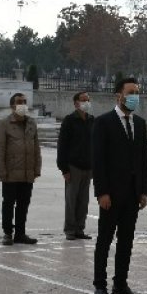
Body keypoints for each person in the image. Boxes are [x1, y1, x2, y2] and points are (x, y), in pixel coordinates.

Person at [91, 78, 147, 294]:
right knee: (105, 240)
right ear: (119, 95)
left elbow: (142, 159)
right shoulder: (104, 123)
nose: (134, 96)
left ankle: (120, 284)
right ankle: (99, 285)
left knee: (126, 241)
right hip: (111, 194)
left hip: (132, 194)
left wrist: (144, 190)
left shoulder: (140, 124)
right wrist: (102, 192)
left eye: (137, 92)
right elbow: (99, 161)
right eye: (130, 92)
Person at [0, 92, 40, 246]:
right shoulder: (4, 123)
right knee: (8, 203)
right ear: (12, 105)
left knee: (23, 204)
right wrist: (1, 171)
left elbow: (36, 148)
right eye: (19, 101)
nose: (22, 104)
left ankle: (20, 233)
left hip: (27, 172)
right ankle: (8, 233)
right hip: (10, 172)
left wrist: (36, 169)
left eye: (24, 101)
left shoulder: (32, 123)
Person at [57, 91, 94, 241]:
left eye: (88, 100)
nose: (86, 102)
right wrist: (64, 168)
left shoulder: (92, 120)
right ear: (76, 103)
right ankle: (70, 230)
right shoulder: (69, 120)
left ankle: (80, 228)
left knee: (83, 201)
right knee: (71, 200)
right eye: (83, 100)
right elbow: (62, 146)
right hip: (73, 167)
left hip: (88, 167)